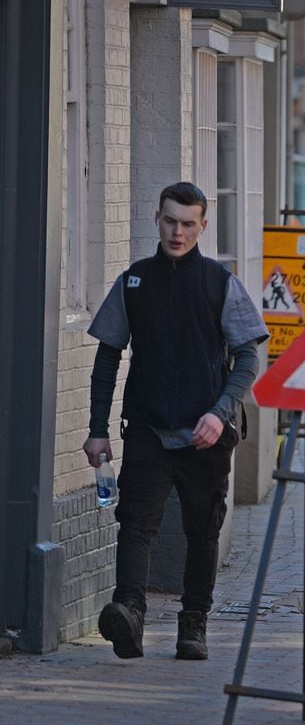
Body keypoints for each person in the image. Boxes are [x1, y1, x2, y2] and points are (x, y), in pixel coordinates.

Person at [83, 182, 268, 661]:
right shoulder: (134, 280)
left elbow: (248, 357)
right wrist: (97, 428)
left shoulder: (218, 283)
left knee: (202, 531)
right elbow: (107, 357)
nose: (178, 232)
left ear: (203, 225)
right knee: (135, 523)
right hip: (146, 426)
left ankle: (194, 626)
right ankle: (129, 614)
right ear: (157, 219)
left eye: (188, 223)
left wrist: (220, 411)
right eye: (170, 221)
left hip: (206, 433)